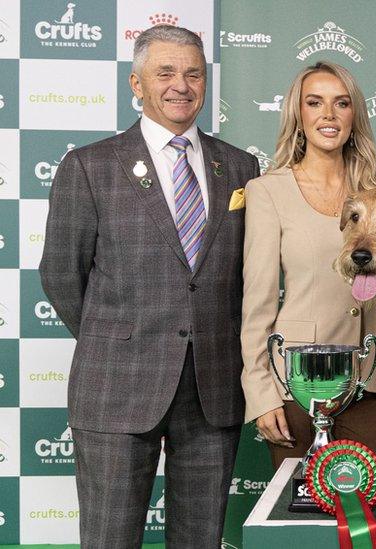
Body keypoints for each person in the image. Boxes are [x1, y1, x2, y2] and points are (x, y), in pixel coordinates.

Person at [39, 25, 259, 547]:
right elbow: (61, 276)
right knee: (110, 537)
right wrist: (119, 336)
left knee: (201, 538)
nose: (180, 85)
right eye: (165, 72)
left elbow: (245, 275)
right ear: (136, 83)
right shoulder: (89, 167)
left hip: (213, 386)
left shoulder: (241, 168)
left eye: (193, 73)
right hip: (117, 383)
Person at [240, 61, 376, 470]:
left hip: (371, 375)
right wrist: (261, 394)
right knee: (300, 520)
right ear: (299, 114)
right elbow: (257, 303)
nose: (328, 115)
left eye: (341, 103)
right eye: (315, 103)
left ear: (354, 115)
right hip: (296, 383)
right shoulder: (267, 191)